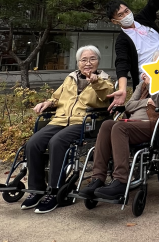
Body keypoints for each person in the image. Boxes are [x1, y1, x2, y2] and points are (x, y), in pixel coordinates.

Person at [20, 46, 114, 213]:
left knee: (57, 142)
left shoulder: (105, 80)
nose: (88, 63)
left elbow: (106, 96)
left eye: (92, 59)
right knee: (33, 143)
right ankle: (36, 189)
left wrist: (96, 82)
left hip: (85, 122)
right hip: (60, 120)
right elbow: (57, 97)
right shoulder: (70, 78)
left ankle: (56, 190)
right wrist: (48, 103)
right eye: (83, 60)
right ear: (78, 63)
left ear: (98, 62)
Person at [80, 77, 159, 202]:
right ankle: (98, 178)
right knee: (107, 125)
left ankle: (120, 180)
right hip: (132, 123)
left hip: (154, 124)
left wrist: (151, 86)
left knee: (120, 127)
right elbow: (129, 106)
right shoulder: (142, 84)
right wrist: (146, 101)